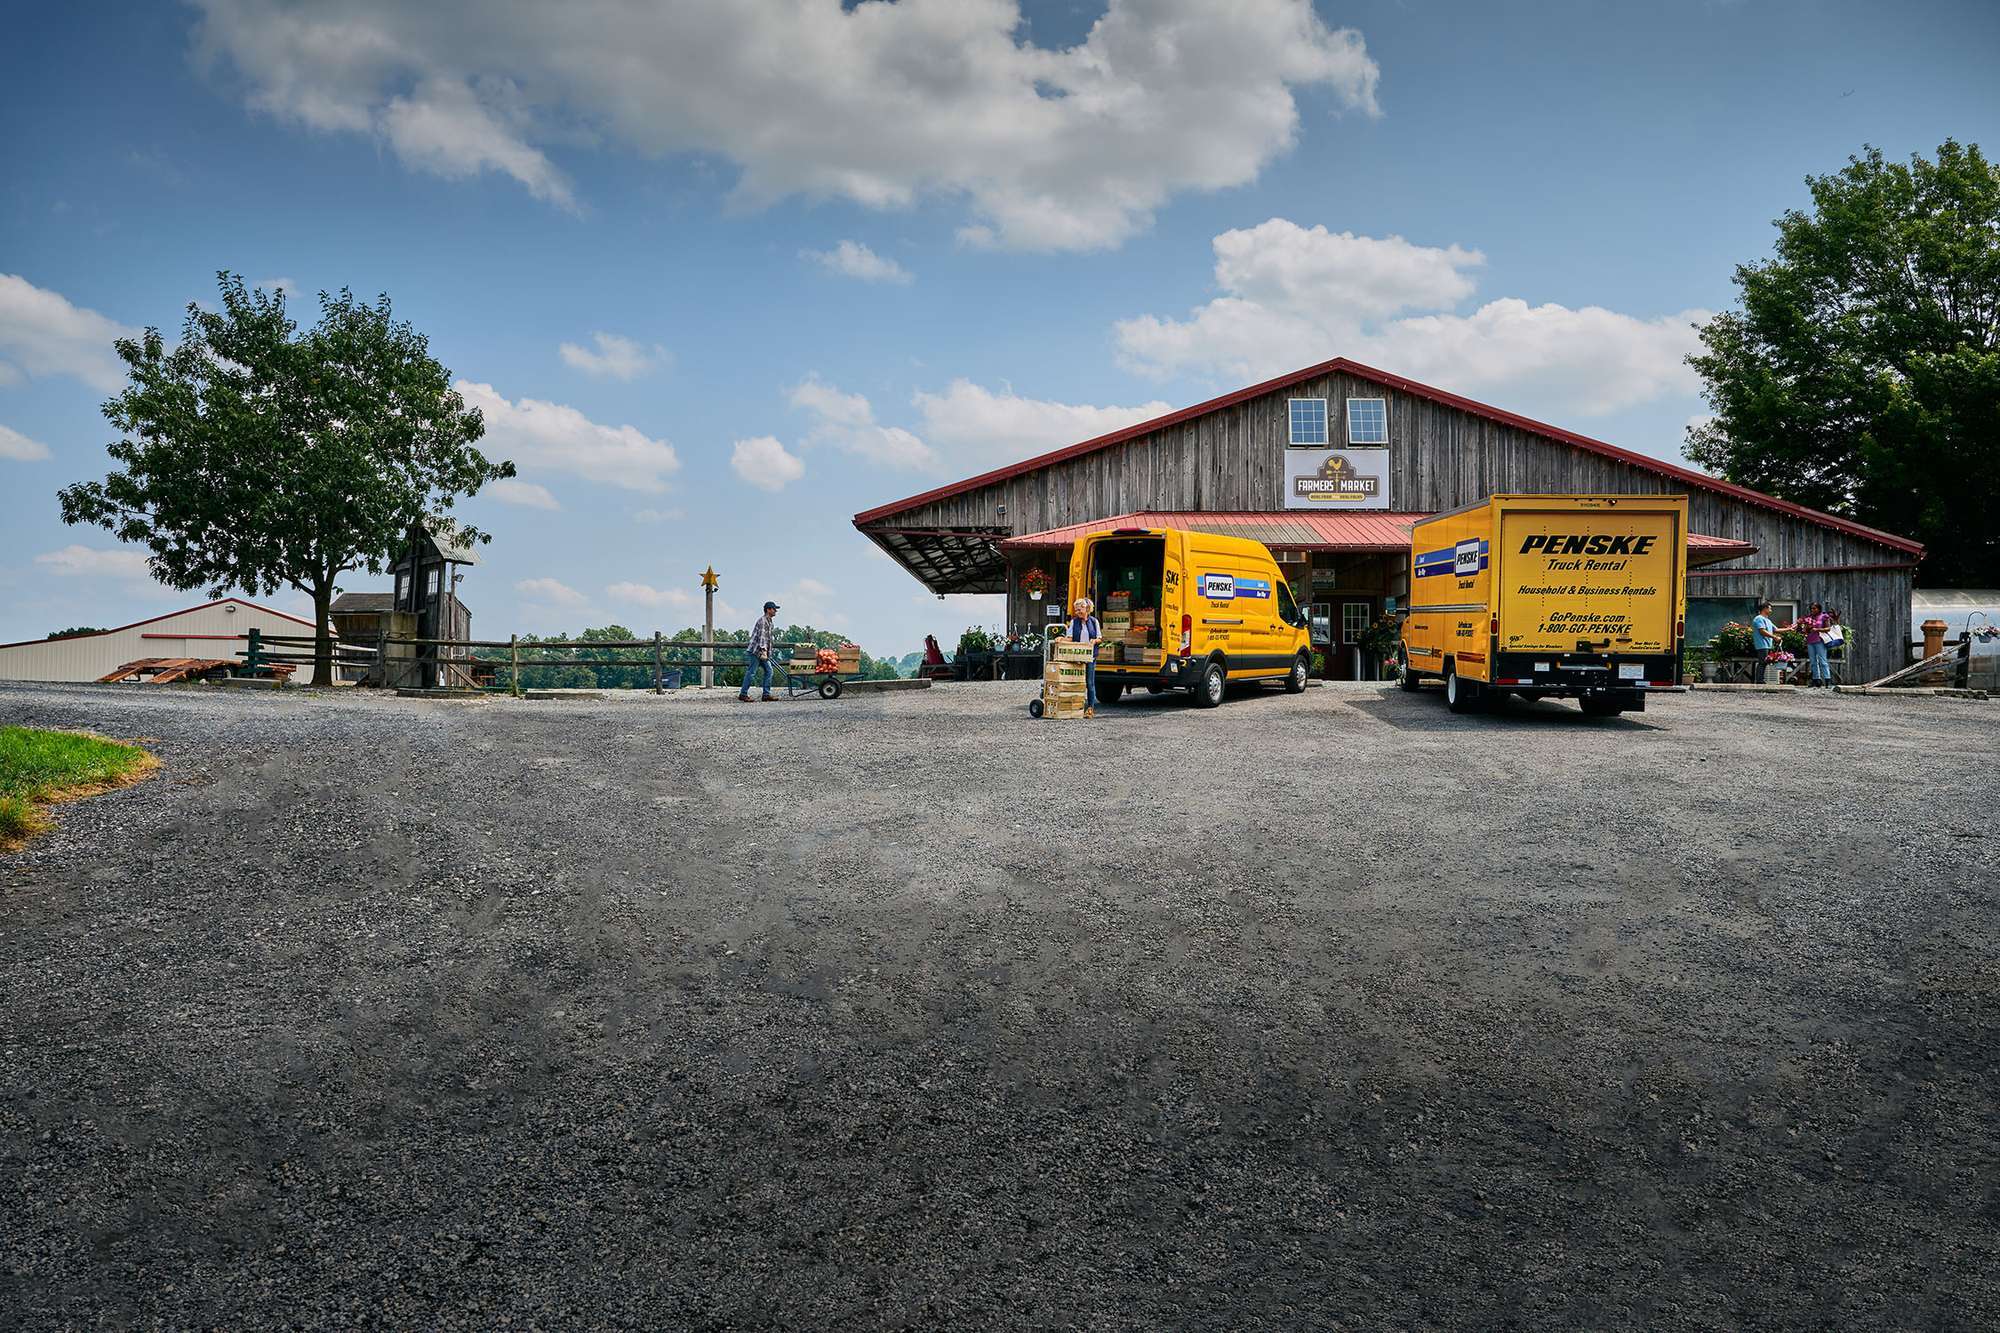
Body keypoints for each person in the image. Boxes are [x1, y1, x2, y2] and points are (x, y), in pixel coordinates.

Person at [1064, 596, 1102, 717]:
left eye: (1079, 609)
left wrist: (1094, 641)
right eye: (1076, 610)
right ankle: (1075, 707)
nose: (1077, 612)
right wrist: (1062, 639)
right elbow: (1070, 638)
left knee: (1089, 683)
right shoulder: (1074, 622)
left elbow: (1100, 638)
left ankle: (1090, 708)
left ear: (1087, 608)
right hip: (1076, 656)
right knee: (1075, 682)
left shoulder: (1094, 621)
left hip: (1090, 656)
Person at [738, 600, 779, 702]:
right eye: (774, 609)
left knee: (769, 671)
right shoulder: (763, 621)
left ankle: (766, 694)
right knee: (751, 672)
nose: (775, 611)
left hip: (762, 652)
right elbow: (762, 638)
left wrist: (767, 652)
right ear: (768, 610)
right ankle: (743, 694)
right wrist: (764, 651)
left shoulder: (769, 622)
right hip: (756, 651)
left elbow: (768, 639)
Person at [1798, 601, 1832, 686]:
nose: (1812, 610)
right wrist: (1802, 627)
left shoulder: (1824, 616)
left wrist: (1817, 629)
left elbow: (1828, 628)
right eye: (1811, 608)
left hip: (1820, 641)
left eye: (1814, 608)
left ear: (1819, 609)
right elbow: (1805, 631)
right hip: (1810, 641)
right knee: (1813, 661)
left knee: (1822, 661)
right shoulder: (1809, 618)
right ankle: (1816, 680)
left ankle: (1828, 680)